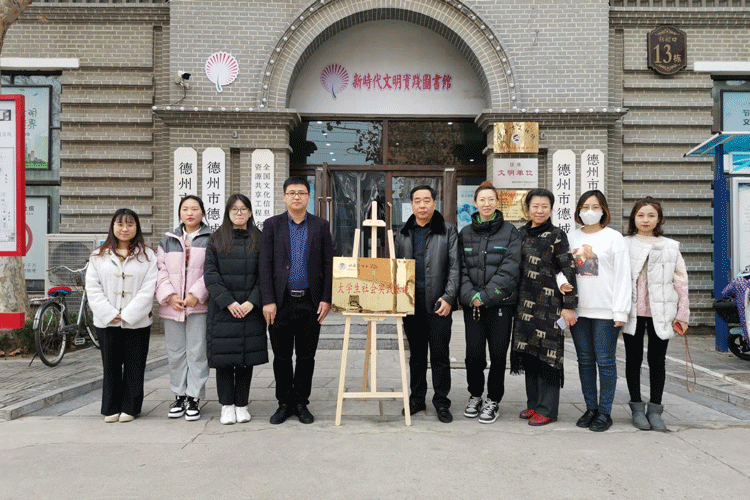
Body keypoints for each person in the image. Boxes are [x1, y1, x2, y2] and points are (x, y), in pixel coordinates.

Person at [260, 177, 334, 425]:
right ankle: (284, 403)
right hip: (280, 303)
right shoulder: (272, 225)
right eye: (291, 193)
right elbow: (265, 264)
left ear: (308, 197)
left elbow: (328, 264)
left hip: (310, 302)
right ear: (284, 197)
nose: (296, 197)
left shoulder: (321, 226)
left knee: (306, 357)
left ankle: (301, 402)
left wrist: (326, 298)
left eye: (301, 193)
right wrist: (268, 300)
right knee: (281, 357)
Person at [510, 188, 578, 426]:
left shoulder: (557, 235)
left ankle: (547, 409)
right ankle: (533, 403)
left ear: (551, 209)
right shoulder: (519, 234)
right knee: (530, 353)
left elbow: (568, 270)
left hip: (550, 305)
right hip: (524, 304)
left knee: (548, 355)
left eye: (544, 206)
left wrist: (569, 306)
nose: (539, 211)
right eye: (535, 206)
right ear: (527, 208)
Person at [623, 197, 689, 431]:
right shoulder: (624, 243)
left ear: (659, 218)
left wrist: (682, 314)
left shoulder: (671, 246)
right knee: (633, 359)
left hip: (662, 311)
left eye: (651, 215)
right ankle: (636, 408)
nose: (646, 220)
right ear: (633, 218)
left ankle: (655, 409)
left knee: (657, 360)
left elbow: (681, 281)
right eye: (641, 215)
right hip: (632, 311)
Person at [567, 190, 631, 432]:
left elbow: (623, 277)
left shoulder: (614, 238)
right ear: (578, 211)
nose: (590, 211)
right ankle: (590, 408)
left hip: (606, 311)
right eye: (585, 207)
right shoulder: (571, 237)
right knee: (584, 361)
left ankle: (605, 412)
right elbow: (562, 269)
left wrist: (621, 312)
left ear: (604, 210)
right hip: (579, 311)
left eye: (595, 207)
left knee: (605, 362)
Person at [85, 208, 157, 423]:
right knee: (111, 365)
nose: (125, 229)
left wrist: (128, 314)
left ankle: (131, 407)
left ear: (137, 227)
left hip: (137, 322)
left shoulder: (148, 256)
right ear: (113, 227)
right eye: (120, 224)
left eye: (130, 224)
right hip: (107, 322)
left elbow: (149, 288)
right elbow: (93, 288)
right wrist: (109, 313)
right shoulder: (98, 256)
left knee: (135, 365)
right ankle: (110, 407)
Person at [458, 181, 521, 424]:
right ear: (475, 203)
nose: (486, 204)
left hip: (500, 306)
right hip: (472, 306)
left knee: (498, 355)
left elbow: (510, 269)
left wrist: (484, 297)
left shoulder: (510, 232)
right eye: (482, 200)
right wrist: (471, 296)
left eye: (491, 199)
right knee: (473, 355)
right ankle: (475, 395)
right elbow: (461, 268)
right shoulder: (465, 233)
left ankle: (493, 399)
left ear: (497, 202)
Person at [396, 185, 459, 423]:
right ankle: (416, 399)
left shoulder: (447, 230)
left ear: (434, 203)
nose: (422, 205)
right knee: (417, 356)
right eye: (417, 200)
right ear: (411, 204)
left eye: (426, 200)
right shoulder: (402, 232)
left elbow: (455, 267)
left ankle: (441, 402)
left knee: (440, 356)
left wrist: (449, 297)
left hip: (438, 303)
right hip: (411, 304)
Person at [204, 194, 268, 425]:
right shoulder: (216, 239)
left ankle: (242, 404)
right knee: (224, 360)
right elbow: (210, 274)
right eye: (234, 209)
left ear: (250, 213)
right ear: (228, 213)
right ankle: (226, 406)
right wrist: (229, 302)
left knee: (245, 359)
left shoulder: (260, 239)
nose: (239, 213)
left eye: (243, 209)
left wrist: (252, 301)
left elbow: (265, 274)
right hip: (223, 310)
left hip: (251, 309)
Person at [156, 195, 212, 421]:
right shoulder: (167, 240)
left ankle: (194, 397)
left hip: (199, 305)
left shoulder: (211, 239)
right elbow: (159, 270)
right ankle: (179, 395)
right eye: (185, 209)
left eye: (195, 209)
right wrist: (169, 296)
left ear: (203, 213)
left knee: (197, 352)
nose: (190, 213)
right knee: (176, 352)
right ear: (179, 212)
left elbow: (212, 270)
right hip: (173, 306)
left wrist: (195, 295)